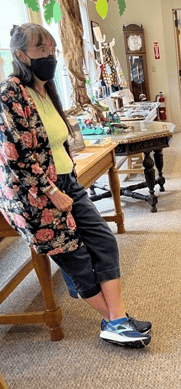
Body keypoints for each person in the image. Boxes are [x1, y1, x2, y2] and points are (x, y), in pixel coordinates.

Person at [0, 23, 151, 348]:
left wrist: (63, 183)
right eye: (42, 51)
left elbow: (55, 142)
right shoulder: (10, 94)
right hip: (35, 196)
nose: (49, 56)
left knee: (104, 243)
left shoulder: (46, 89)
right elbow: (17, 155)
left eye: (52, 50)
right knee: (77, 259)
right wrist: (52, 191)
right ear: (21, 55)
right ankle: (116, 322)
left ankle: (116, 319)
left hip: (66, 181)